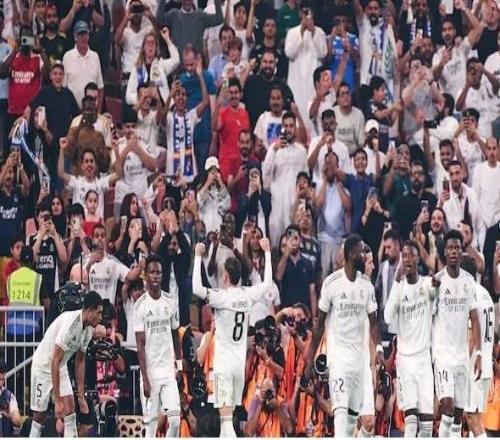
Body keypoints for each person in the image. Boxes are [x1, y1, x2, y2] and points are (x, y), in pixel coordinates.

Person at [305, 233, 384, 437]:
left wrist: (379, 349)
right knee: (341, 420)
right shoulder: (332, 284)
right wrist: (310, 357)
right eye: (361, 252)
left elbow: (374, 322)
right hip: (339, 361)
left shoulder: (366, 286)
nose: (364, 256)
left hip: (360, 363)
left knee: (362, 422)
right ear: (350, 254)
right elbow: (319, 325)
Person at [192, 237, 272, 437]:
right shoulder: (247, 295)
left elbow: (196, 289)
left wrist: (198, 256)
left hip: (223, 367)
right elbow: (267, 284)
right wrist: (268, 252)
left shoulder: (221, 297)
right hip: (238, 367)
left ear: (226, 276)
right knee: (227, 423)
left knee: (226, 423)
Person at [29, 291, 103, 437]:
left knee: (70, 409)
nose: (100, 318)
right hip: (43, 366)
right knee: (39, 417)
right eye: (98, 313)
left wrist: (81, 396)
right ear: (89, 310)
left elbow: (80, 361)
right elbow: (54, 360)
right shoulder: (72, 325)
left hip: (59, 366)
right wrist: (57, 401)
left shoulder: (88, 331)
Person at [383, 240, 438, 437]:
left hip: (423, 359)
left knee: (427, 425)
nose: (407, 259)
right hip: (405, 361)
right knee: (411, 422)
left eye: (411, 255)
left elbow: (435, 291)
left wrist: (436, 287)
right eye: (404, 255)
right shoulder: (399, 288)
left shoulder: (427, 284)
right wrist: (397, 282)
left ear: (418, 259)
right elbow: (387, 317)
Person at [432, 229, 482, 437]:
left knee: (458, 417)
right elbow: (428, 317)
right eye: (450, 248)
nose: (453, 251)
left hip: (462, 356)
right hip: (443, 355)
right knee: (448, 408)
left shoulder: (469, 281)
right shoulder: (437, 281)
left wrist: (478, 353)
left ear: (461, 252)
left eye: (457, 248)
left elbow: (475, 318)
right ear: (445, 252)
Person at [134, 255, 183, 438]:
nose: (155, 276)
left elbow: (176, 335)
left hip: (168, 371)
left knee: (175, 420)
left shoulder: (170, 301)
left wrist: (179, 366)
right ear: (145, 275)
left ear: (163, 275)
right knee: (151, 427)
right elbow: (140, 344)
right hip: (150, 372)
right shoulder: (140, 306)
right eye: (152, 272)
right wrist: (145, 378)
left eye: (159, 272)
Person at [461, 255, 495, 438]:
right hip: (486, 365)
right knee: (476, 419)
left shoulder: (470, 295)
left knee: (472, 419)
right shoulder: (485, 293)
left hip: (474, 366)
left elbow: (471, 337)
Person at [262, 111, 307, 246]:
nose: (288, 129)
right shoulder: (274, 149)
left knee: (294, 242)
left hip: (294, 204)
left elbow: (305, 179)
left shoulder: (301, 151)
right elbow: (265, 175)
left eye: (291, 126)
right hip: (277, 203)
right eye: (285, 126)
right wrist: (274, 150)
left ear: (295, 128)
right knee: (276, 241)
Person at [165, 58, 209, 184]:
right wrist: (169, 95)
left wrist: (200, 75)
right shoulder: (168, 117)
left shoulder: (191, 116)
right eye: (177, 94)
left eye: (183, 95)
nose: (180, 97)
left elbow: (206, 101)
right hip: (172, 173)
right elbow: (161, 117)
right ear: (174, 98)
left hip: (190, 173)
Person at [284, 3, 327, 124]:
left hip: (312, 85)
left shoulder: (320, 32)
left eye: (309, 13)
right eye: (304, 12)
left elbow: (323, 53)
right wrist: (301, 33)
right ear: (300, 13)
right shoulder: (292, 32)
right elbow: (289, 53)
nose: (306, 16)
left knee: (313, 116)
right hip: (296, 83)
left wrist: (313, 33)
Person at [125, 28, 180, 107]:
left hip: (163, 109)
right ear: (143, 48)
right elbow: (128, 97)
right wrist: (142, 97)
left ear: (156, 48)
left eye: (153, 43)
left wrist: (167, 39)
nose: (150, 45)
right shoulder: (138, 69)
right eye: (148, 43)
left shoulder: (161, 65)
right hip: (145, 110)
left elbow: (176, 60)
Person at [62, 21, 104, 111]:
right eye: (80, 34)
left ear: (88, 36)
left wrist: (99, 112)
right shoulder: (67, 57)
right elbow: (63, 88)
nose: (83, 38)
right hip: (72, 110)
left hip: (92, 110)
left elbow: (100, 87)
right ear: (75, 37)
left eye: (85, 34)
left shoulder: (95, 56)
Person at [157, 0, 223, 54]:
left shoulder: (200, 16)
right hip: (178, 64)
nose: (187, 2)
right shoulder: (174, 15)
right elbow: (160, 19)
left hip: (197, 64)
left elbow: (219, 19)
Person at [0, 360, 22, 436]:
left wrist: (10, 415)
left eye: (2, 379)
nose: (1, 383)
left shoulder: (8, 395)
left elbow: (18, 422)